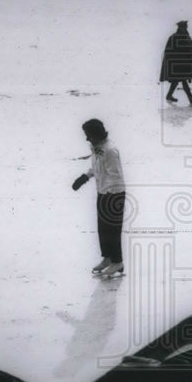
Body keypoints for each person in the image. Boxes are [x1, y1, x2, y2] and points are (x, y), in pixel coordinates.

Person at [71, 119, 126, 278]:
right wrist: (84, 177)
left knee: (112, 230)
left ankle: (118, 262)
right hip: (102, 192)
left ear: (96, 135)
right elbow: (96, 167)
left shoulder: (110, 151)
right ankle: (107, 258)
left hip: (114, 194)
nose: (87, 139)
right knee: (103, 229)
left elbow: (115, 175)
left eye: (88, 135)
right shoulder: (97, 148)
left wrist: (109, 195)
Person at [160, 21, 192, 104]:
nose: (186, 29)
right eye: (185, 27)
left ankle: (169, 95)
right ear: (181, 28)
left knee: (177, 80)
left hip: (178, 66)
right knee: (182, 80)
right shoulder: (183, 37)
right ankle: (190, 98)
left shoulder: (174, 37)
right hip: (180, 66)